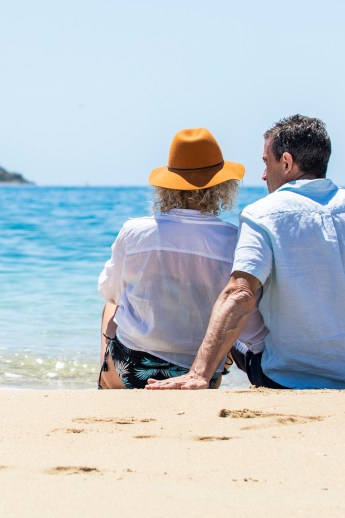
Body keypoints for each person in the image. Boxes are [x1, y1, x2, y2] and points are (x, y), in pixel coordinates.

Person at [147, 114, 345, 390]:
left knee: (231, 315)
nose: (262, 174)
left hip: (286, 376)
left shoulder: (263, 213)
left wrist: (198, 373)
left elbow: (240, 294)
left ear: (286, 162)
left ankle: (200, 374)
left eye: (265, 162)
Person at [98, 128, 266, 389]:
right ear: (223, 187)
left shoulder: (134, 232)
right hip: (201, 369)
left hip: (132, 367)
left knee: (111, 307)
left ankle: (105, 378)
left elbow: (109, 292)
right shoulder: (234, 239)